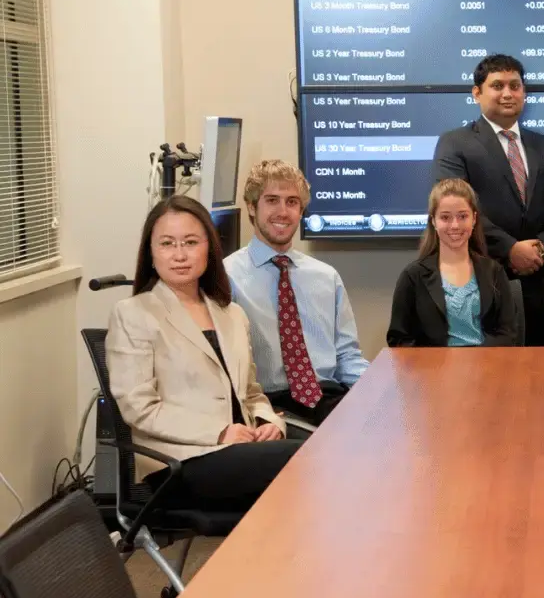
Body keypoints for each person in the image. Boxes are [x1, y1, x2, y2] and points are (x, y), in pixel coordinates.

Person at [105, 195, 302, 512]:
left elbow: (250, 393)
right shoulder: (133, 313)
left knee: (327, 450)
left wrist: (269, 422)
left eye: (191, 242)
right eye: (167, 243)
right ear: (151, 254)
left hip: (244, 447)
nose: (180, 254)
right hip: (182, 462)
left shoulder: (232, 314)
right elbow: (138, 408)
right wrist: (220, 432)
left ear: (209, 249)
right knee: (307, 461)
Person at [433, 54, 544, 347]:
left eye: (515, 85)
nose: (508, 93)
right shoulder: (455, 143)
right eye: (497, 85)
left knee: (534, 373)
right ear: (477, 93)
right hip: (478, 276)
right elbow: (455, 210)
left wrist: (542, 250)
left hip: (536, 281)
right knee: (481, 376)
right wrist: (510, 248)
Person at [224, 160, 369, 428]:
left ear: (301, 210)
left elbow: (347, 357)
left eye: (292, 202)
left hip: (328, 396)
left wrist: (380, 392)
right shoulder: (226, 278)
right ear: (252, 207)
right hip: (268, 404)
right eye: (272, 200)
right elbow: (227, 370)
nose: (283, 211)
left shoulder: (326, 277)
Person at [386, 179, 519, 347]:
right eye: (445, 217)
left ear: (474, 219)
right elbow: (398, 339)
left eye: (463, 216)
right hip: (433, 370)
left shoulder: (494, 271)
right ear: (433, 221)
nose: (455, 225)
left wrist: (476, 362)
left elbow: (508, 334)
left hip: (486, 367)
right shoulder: (413, 276)